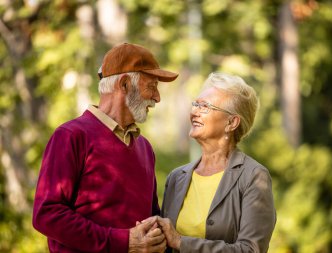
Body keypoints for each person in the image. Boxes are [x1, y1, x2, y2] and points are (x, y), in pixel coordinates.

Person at [33, 43, 178, 252]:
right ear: (125, 84)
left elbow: (150, 215)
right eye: (152, 86)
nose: (157, 97)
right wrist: (123, 241)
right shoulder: (71, 136)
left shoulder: (144, 147)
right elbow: (47, 215)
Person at [151, 72, 276, 252]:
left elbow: (250, 250)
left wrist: (181, 242)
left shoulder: (253, 177)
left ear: (232, 122)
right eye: (195, 104)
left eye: (205, 106)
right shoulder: (176, 178)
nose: (194, 112)